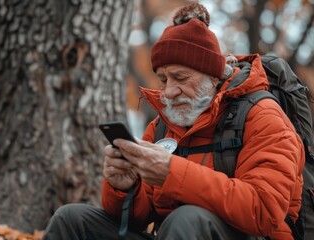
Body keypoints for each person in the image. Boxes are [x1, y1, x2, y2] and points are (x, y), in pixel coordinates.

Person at [43, 2, 304, 240]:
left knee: (186, 219)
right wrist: (125, 188)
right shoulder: (161, 126)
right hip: (175, 234)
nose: (168, 92)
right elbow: (140, 217)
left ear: (212, 77)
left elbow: (264, 211)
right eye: (163, 80)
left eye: (180, 78)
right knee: (71, 219)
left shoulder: (262, 115)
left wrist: (172, 173)